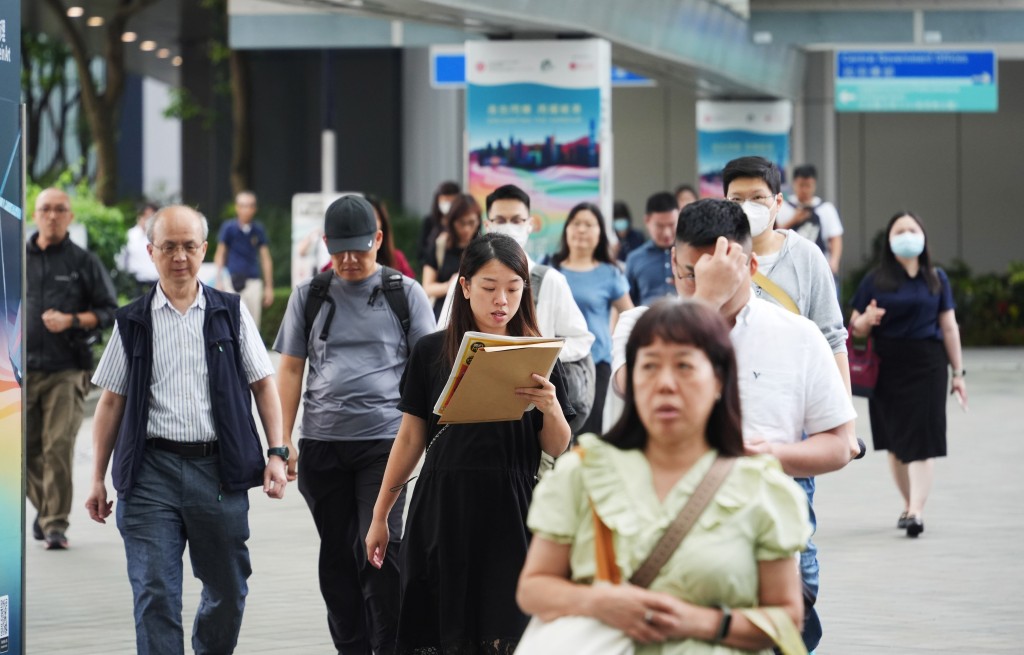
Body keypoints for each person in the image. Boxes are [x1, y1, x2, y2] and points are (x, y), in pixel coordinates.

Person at [611, 199, 856, 653]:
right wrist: (704, 301)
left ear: (753, 263)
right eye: (689, 273)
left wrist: (770, 456)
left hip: (768, 531)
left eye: (720, 271)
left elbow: (840, 445)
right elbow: (635, 388)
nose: (702, 283)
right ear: (672, 261)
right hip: (664, 532)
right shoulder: (640, 326)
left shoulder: (799, 336)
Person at [519, 299, 810, 654]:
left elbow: (787, 616)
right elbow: (533, 589)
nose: (665, 384)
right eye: (650, 366)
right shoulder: (583, 472)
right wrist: (597, 603)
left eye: (685, 366)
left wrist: (698, 622)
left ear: (719, 379)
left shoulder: (762, 487)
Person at [85, 205, 289, 654]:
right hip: (149, 473)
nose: (180, 256)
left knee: (228, 591)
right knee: (155, 593)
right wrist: (97, 477)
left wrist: (278, 452)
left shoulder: (229, 313)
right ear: (151, 251)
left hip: (217, 472)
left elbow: (263, 383)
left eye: (189, 246)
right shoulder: (132, 321)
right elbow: (111, 401)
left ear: (204, 251)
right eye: (169, 247)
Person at [366, 233, 575, 654]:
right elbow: (409, 438)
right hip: (443, 509)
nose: (502, 300)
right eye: (489, 287)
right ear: (464, 286)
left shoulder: (539, 353)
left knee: (509, 630)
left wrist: (550, 407)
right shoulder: (430, 353)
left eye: (514, 290)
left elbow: (557, 446)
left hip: (513, 511)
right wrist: (380, 514)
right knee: (443, 627)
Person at [275, 195, 436, 653]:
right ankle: (352, 647)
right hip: (323, 444)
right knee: (338, 559)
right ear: (325, 244)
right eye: (339, 249)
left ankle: (388, 646)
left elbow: (429, 366)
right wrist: (282, 439)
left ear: (379, 240)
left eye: (360, 250)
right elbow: (289, 369)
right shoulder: (311, 295)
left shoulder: (403, 293)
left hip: (386, 444)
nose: (348, 260)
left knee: (381, 553)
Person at [722, 157, 859, 458]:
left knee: (794, 500)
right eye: (737, 199)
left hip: (791, 417)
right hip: (726, 413)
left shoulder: (807, 257)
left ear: (778, 202)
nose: (748, 207)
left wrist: (845, 426)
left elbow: (832, 338)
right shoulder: (715, 256)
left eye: (758, 198)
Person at [850, 212, 966, 538]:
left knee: (922, 440)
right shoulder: (874, 280)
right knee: (896, 443)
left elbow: (949, 326)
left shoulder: (936, 278)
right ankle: (907, 504)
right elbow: (854, 325)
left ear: (924, 236)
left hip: (928, 364)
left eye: (913, 229)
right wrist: (867, 320)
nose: (907, 235)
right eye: (899, 230)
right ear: (889, 240)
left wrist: (958, 372)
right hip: (885, 366)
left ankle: (916, 511)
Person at [26, 187, 118, 550]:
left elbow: (110, 310)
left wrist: (72, 320)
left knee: (58, 447)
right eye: (45, 209)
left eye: (59, 209)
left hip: (66, 369)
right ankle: (47, 507)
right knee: (22, 451)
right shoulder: (15, 258)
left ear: (70, 216)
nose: (52, 215)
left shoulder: (83, 262)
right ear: (35, 214)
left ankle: (55, 525)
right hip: (19, 371)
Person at [549, 202, 633, 435]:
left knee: (589, 430)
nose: (582, 230)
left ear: (600, 233)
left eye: (589, 224)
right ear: (566, 230)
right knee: (555, 429)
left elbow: (629, 314)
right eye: (576, 223)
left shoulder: (610, 272)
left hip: (596, 362)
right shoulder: (551, 269)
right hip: (556, 362)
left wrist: (620, 349)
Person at [213, 190, 274, 329]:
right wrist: (219, 280)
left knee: (252, 326)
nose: (246, 209)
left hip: (253, 281)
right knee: (231, 324)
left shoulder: (258, 230)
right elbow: (220, 254)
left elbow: (266, 258)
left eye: (250, 205)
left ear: (255, 208)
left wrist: (269, 287)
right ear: (237, 207)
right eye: (243, 205)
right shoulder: (228, 228)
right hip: (231, 280)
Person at [776, 165, 844, 279]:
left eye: (808, 186)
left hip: (820, 267)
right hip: (790, 268)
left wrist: (834, 261)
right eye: (801, 185)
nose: (805, 190)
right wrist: (794, 220)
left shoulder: (826, 209)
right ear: (794, 184)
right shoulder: (783, 207)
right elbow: (776, 234)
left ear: (814, 185)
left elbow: (835, 237)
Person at [422, 193, 481, 318]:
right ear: (452, 222)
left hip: (475, 313)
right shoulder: (440, 245)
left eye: (471, 223)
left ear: (479, 222)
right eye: (461, 223)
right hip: (443, 313)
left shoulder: (483, 248)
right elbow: (427, 287)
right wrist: (451, 285)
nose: (466, 229)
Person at [625, 192, 679, 306]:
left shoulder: (689, 254)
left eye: (671, 225)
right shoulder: (634, 259)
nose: (667, 233)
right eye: (660, 226)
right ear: (647, 221)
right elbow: (628, 302)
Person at [366, 194, 416, 278]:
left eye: (374, 218)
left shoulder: (397, 259)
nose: (370, 224)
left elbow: (411, 287)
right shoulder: (344, 260)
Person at [119, 201, 160, 297]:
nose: (148, 220)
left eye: (152, 217)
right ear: (140, 217)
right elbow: (121, 260)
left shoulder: (160, 237)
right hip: (135, 284)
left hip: (156, 283)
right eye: (146, 216)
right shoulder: (130, 235)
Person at [417, 180, 461, 265]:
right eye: (445, 201)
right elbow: (421, 251)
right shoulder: (429, 222)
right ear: (438, 200)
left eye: (451, 202)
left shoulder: (463, 223)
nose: (448, 205)